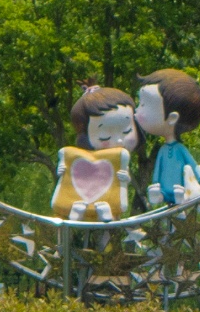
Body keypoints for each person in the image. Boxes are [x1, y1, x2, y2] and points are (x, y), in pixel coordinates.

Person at [51, 86, 138, 220]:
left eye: (127, 131)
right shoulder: (78, 157)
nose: (119, 140)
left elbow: (124, 179)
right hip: (80, 198)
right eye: (104, 136)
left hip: (109, 202)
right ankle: (76, 213)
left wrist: (125, 177)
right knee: (78, 200)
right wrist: (63, 169)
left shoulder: (121, 160)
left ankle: (107, 215)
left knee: (111, 212)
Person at [134, 68, 200, 207]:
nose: (138, 109)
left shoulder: (180, 149)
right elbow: (158, 169)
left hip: (179, 189)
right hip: (164, 191)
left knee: (179, 199)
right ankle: (159, 195)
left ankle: (181, 195)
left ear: (172, 118)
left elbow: (192, 165)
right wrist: (156, 184)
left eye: (145, 104)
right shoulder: (163, 150)